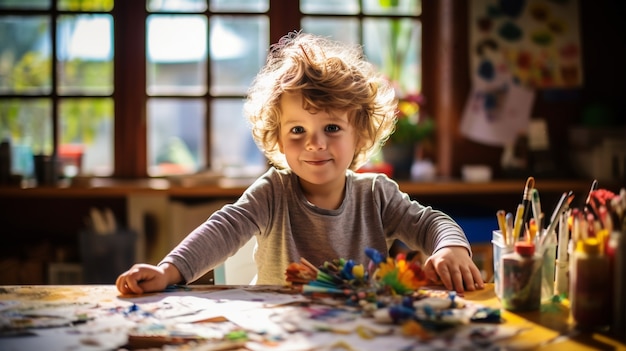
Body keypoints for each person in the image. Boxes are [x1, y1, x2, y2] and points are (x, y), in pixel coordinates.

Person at [116, 31, 485, 295]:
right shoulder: (271, 192)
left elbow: (432, 222)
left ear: (359, 135)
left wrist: (450, 248)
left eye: (331, 127)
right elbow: (222, 231)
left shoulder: (376, 194)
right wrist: (169, 270)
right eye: (296, 129)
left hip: (361, 333)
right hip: (279, 335)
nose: (314, 142)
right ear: (277, 138)